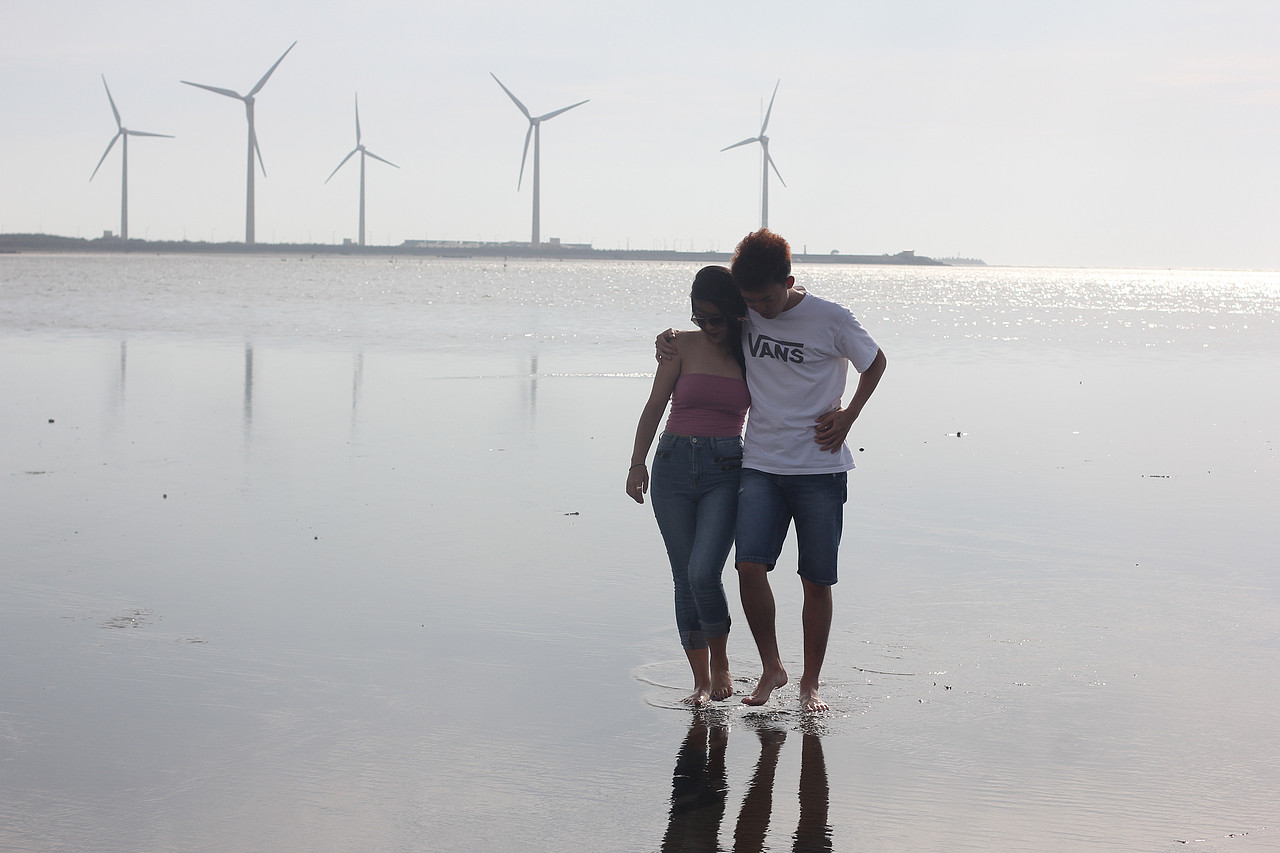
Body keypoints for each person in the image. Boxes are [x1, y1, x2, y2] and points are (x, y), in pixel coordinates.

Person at [658, 229, 886, 712]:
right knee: (747, 566)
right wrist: (669, 338)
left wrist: (848, 417)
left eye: (766, 298)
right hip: (760, 463)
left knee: (816, 580)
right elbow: (709, 327)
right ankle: (771, 668)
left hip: (820, 467)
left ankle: (810, 684)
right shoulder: (746, 316)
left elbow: (876, 361)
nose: (759, 309)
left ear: (789, 280)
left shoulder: (831, 318)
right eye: (750, 302)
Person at [628, 265, 750, 707]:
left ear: (737, 312)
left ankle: (721, 663)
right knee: (683, 578)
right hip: (672, 465)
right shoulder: (680, 345)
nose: (709, 327)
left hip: (726, 467)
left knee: (704, 573)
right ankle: (700, 680)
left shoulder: (752, 348)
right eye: (700, 318)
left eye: (717, 318)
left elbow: (791, 306)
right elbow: (655, 405)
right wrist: (636, 463)